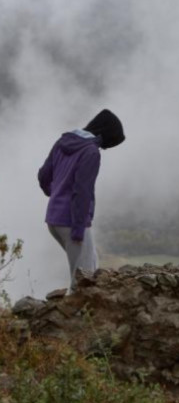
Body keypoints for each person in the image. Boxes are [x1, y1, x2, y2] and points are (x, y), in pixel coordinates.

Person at [38, 109, 125, 289]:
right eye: (109, 142)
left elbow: (43, 175)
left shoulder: (62, 142)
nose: (105, 147)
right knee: (85, 278)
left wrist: (55, 195)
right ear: (105, 133)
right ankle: (77, 316)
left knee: (87, 266)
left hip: (54, 220)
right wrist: (78, 228)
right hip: (72, 221)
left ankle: (74, 312)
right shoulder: (91, 152)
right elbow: (82, 191)